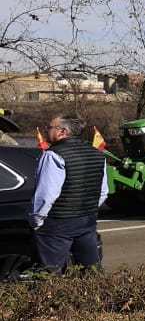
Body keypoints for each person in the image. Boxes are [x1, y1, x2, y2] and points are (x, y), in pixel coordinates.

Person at [30, 114, 109, 273]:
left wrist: (36, 220)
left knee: (50, 273)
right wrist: (89, 209)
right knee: (92, 270)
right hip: (87, 220)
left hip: (58, 223)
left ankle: (51, 297)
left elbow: (46, 194)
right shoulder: (97, 154)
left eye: (49, 127)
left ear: (62, 131)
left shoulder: (53, 155)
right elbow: (103, 192)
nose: (46, 131)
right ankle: (98, 296)